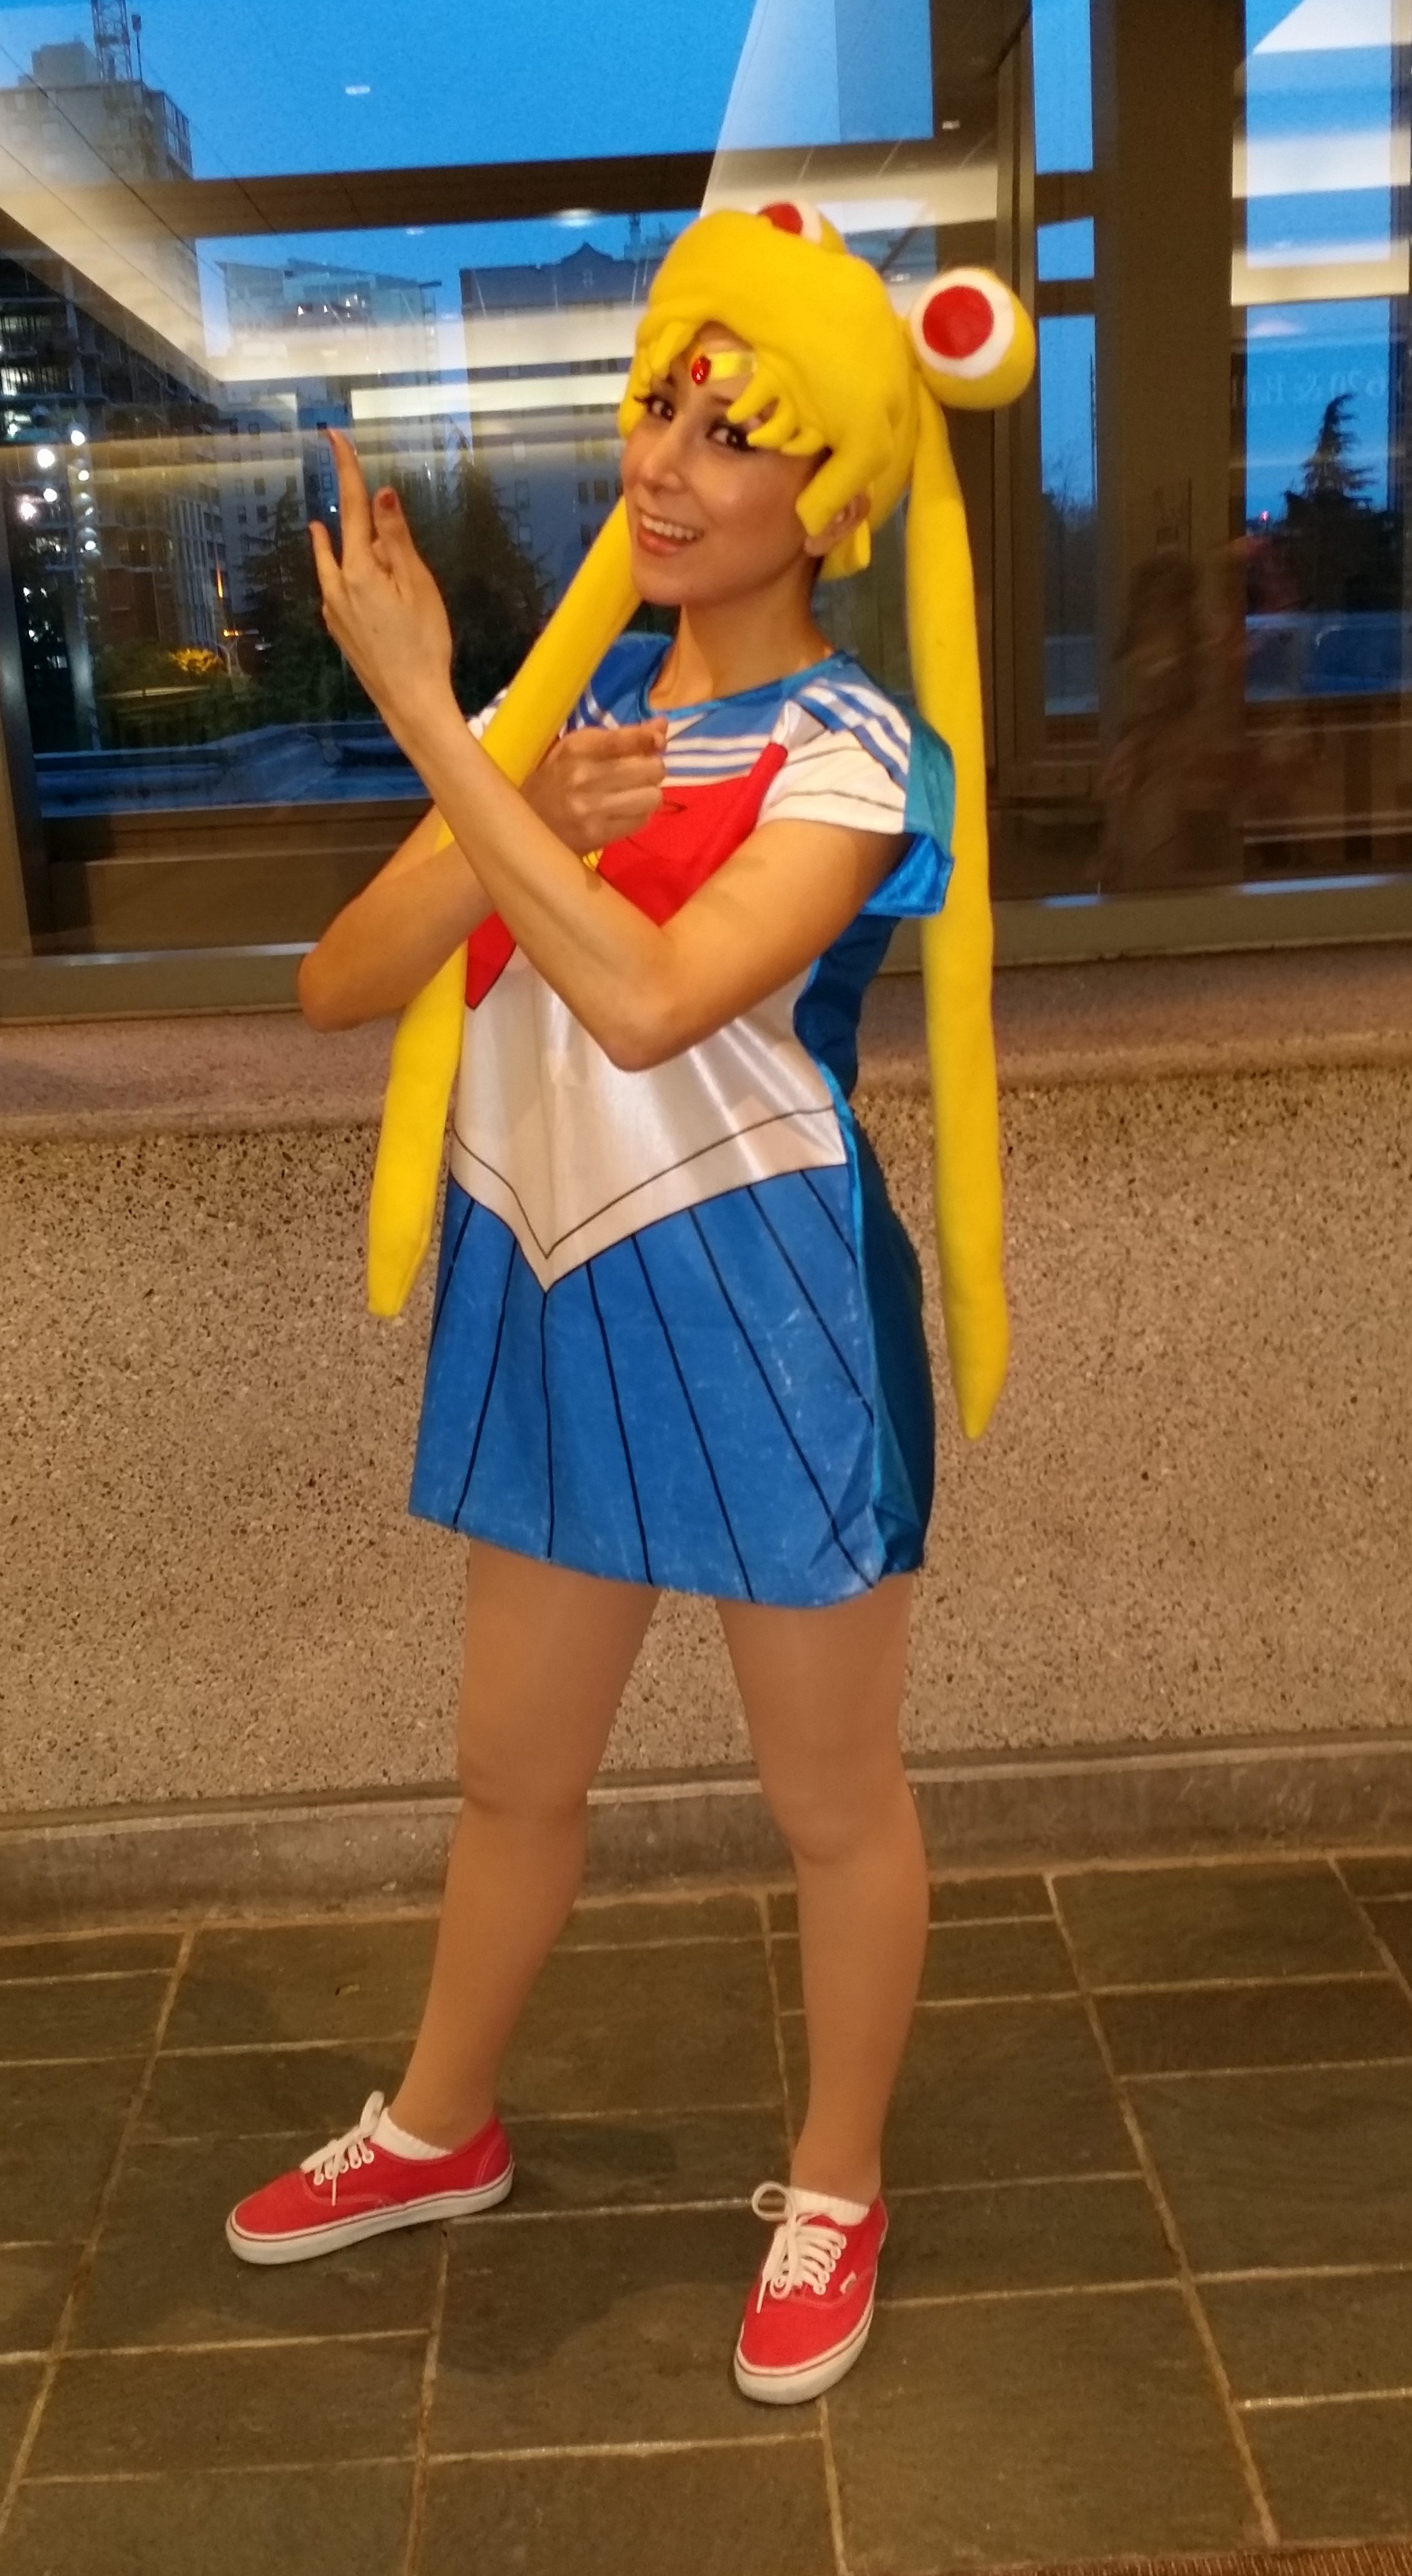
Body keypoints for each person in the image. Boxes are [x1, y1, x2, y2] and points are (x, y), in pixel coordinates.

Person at [224, 203, 1033, 2406]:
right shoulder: (557, 718)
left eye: (733, 430)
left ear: (834, 494)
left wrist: (435, 724)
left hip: (773, 1325)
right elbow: (339, 983)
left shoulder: (855, 749)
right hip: (557, 1296)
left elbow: (658, 998)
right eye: (662, 405)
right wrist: (494, 769)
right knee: (511, 1774)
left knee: (830, 1795)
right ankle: (438, 2124)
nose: (665, 463)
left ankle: (837, 2181)